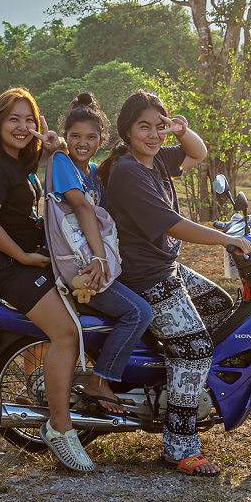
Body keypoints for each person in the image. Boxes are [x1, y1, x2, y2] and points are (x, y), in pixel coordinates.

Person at [99, 90, 251, 477]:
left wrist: (181, 131)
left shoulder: (156, 159)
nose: (153, 134)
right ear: (127, 131)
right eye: (143, 127)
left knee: (218, 305)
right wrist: (227, 239)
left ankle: (180, 381)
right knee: (197, 349)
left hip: (164, 267)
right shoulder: (130, 172)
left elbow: (198, 152)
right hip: (143, 275)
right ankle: (179, 444)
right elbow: (173, 225)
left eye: (159, 126)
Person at [0, 87, 94, 473]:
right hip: (7, 266)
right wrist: (23, 255)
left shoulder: (19, 162)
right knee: (66, 334)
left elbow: (58, 162)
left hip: (29, 261)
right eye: (13, 119)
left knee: (73, 319)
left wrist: (53, 145)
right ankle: (60, 427)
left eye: (29, 120)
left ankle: (41, 395)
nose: (22, 127)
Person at [49, 92, 152, 414]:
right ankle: (100, 380)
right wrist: (100, 258)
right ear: (65, 138)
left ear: (101, 139)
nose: (83, 142)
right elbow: (81, 208)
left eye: (91, 137)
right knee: (138, 312)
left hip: (92, 259)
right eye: (75, 136)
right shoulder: (62, 162)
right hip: (80, 265)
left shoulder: (93, 171)